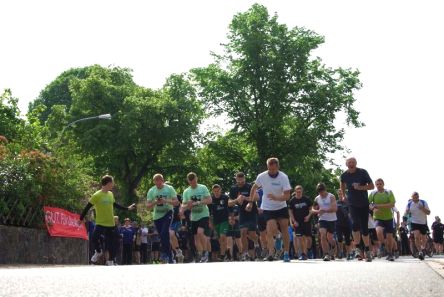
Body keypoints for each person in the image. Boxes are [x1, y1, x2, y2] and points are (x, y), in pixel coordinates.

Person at [79, 175, 135, 266]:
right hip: (100, 222)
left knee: (112, 243)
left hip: (110, 223)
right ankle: (98, 251)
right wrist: (81, 218)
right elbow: (87, 207)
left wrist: (127, 208)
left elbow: (115, 204)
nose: (113, 184)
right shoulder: (96, 195)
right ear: (108, 183)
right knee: (94, 238)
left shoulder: (110, 194)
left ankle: (111, 261)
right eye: (112, 182)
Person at [249, 157, 292, 262]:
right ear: (267, 167)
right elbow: (254, 188)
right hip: (268, 207)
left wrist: (276, 198)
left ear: (278, 167)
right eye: (269, 169)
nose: (271, 171)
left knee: (284, 229)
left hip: (281, 206)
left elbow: (287, 196)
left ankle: (286, 253)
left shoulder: (283, 177)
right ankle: (271, 253)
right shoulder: (262, 176)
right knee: (270, 229)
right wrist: (250, 202)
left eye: (274, 169)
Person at [340, 157, 374, 262]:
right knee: (354, 224)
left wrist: (360, 187)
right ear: (346, 164)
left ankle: (367, 250)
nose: (351, 164)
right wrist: (343, 195)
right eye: (349, 162)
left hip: (363, 203)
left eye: (353, 162)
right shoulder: (344, 175)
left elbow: (372, 186)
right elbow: (342, 184)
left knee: (364, 228)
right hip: (352, 203)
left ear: (356, 163)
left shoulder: (362, 172)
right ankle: (359, 248)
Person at [147, 174, 179, 264]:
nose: (158, 183)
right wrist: (155, 202)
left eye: (159, 181)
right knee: (162, 236)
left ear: (163, 180)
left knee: (164, 232)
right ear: (154, 182)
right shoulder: (152, 190)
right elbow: (148, 206)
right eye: (156, 181)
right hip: (157, 216)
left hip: (167, 212)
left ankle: (167, 255)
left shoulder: (169, 189)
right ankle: (169, 254)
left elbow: (176, 202)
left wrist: (165, 201)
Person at [181, 172, 212, 263]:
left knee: (200, 232)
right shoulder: (186, 191)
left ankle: (205, 253)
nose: (193, 183)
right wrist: (187, 206)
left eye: (194, 181)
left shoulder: (203, 187)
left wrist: (197, 203)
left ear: (196, 179)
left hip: (204, 214)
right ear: (188, 181)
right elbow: (183, 205)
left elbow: (209, 200)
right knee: (196, 238)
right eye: (191, 182)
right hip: (194, 217)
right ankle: (201, 253)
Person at [229, 172, 260, 261]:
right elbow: (229, 203)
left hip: (252, 212)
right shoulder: (233, 188)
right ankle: (245, 253)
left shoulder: (250, 186)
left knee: (252, 234)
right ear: (236, 180)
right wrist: (237, 200)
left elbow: (257, 197)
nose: (241, 183)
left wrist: (247, 200)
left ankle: (256, 243)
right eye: (239, 182)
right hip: (241, 213)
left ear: (244, 179)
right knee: (243, 233)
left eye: (242, 182)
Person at [368, 178, 396, 261]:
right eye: (377, 184)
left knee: (389, 237)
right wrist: (373, 209)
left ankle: (390, 253)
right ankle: (383, 245)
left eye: (380, 184)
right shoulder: (373, 193)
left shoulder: (389, 192)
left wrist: (378, 206)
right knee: (378, 231)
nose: (379, 186)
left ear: (383, 184)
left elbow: (392, 204)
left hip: (389, 217)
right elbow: (369, 203)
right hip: (378, 217)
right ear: (375, 185)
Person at [312, 183, 337, 261]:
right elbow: (312, 209)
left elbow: (335, 209)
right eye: (319, 192)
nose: (321, 194)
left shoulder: (331, 196)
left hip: (332, 219)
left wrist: (324, 210)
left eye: (322, 191)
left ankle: (333, 246)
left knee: (329, 238)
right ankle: (326, 254)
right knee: (322, 235)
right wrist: (318, 211)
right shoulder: (317, 198)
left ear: (325, 190)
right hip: (322, 219)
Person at [288, 185, 312, 260]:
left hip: (306, 221)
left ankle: (305, 252)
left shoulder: (306, 199)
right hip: (297, 222)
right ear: (295, 192)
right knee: (300, 237)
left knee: (306, 237)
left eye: (300, 191)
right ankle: (303, 253)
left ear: (302, 191)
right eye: (297, 191)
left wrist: (308, 216)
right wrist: (293, 221)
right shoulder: (292, 201)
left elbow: (311, 209)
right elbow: (290, 212)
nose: (299, 192)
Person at [404, 192, 431, 260]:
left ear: (418, 197)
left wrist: (422, 208)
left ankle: (423, 247)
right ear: (412, 197)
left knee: (424, 238)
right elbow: (405, 214)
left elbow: (428, 212)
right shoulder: (409, 204)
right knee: (416, 237)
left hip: (423, 223)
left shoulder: (423, 202)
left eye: (417, 197)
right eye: (414, 198)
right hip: (414, 222)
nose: (416, 199)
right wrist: (406, 212)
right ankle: (420, 252)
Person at [210, 184, 230, 261]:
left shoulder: (225, 197)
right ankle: (226, 251)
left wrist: (231, 217)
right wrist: (210, 222)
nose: (216, 192)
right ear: (213, 191)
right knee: (220, 240)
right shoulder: (211, 200)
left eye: (218, 191)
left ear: (220, 190)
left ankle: (222, 255)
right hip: (216, 221)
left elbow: (230, 207)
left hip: (224, 220)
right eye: (215, 191)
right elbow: (209, 212)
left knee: (223, 237)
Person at [336, 189, 353, 260]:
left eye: (341, 193)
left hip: (347, 223)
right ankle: (341, 252)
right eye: (339, 194)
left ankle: (348, 253)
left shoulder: (348, 202)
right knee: (339, 238)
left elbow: (351, 212)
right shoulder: (335, 202)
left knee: (347, 239)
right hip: (338, 223)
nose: (340, 195)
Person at [170, 194, 185, 263]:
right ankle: (177, 252)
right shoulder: (170, 206)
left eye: (175, 199)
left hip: (177, 222)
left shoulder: (180, 206)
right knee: (170, 239)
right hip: (169, 223)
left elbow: (183, 216)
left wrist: (184, 224)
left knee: (172, 234)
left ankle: (178, 251)